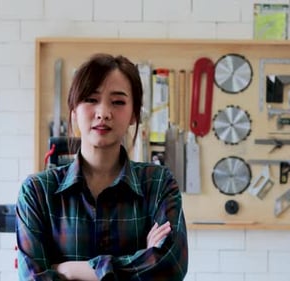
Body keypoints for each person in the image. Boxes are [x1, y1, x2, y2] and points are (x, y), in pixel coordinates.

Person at [16, 53, 188, 281]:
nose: (103, 113)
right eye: (90, 99)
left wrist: (69, 270)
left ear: (134, 114)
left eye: (118, 102)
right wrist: (142, 260)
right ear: (74, 111)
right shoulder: (38, 192)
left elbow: (170, 267)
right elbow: (31, 278)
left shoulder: (157, 183)